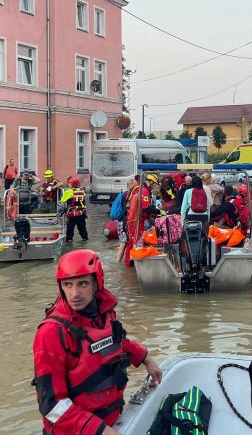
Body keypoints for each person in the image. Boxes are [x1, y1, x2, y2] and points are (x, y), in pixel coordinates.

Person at [32, 250, 162, 435]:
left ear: (96, 284)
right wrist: (100, 430)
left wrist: (146, 358)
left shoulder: (104, 313)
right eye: (67, 285)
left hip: (111, 420)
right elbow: (51, 405)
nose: (74, 294)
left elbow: (118, 341)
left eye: (82, 284)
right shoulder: (51, 333)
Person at [125, 174, 159, 267]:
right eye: (154, 185)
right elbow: (146, 208)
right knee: (135, 241)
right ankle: (130, 264)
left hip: (133, 219)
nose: (154, 187)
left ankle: (129, 263)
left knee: (133, 241)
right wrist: (158, 211)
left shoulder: (139, 189)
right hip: (136, 220)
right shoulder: (144, 191)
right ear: (151, 183)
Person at [61, 176, 89, 244]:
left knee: (70, 228)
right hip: (82, 214)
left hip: (73, 214)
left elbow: (62, 200)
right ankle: (85, 239)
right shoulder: (82, 190)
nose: (68, 184)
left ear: (72, 184)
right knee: (82, 228)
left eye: (69, 183)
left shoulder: (69, 191)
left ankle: (69, 240)